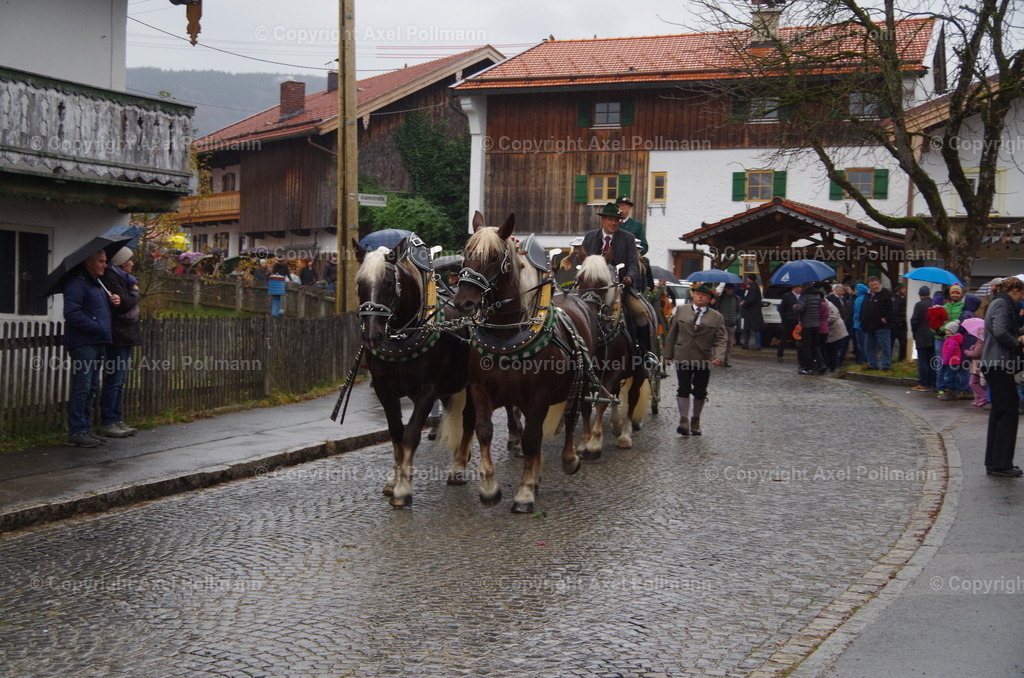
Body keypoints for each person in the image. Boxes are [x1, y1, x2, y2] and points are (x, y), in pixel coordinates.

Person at [582, 202, 657, 368]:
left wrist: (630, 276)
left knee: (639, 311)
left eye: (617, 220)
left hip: (621, 286)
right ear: (603, 220)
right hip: (593, 287)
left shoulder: (628, 238)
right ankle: (576, 351)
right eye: (610, 219)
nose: (614, 223)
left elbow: (633, 262)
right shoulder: (589, 237)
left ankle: (645, 353)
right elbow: (579, 261)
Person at [62, 250, 114, 447]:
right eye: (101, 261)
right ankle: (77, 431)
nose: (104, 265)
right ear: (88, 262)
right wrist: (97, 326)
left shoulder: (97, 284)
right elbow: (72, 313)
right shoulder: (77, 283)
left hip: (97, 342)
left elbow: (96, 310)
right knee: (82, 388)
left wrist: (113, 301)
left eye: (105, 261)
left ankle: (86, 429)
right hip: (84, 343)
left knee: (92, 387)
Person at [664, 283, 727, 436]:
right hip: (683, 356)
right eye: (698, 294)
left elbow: (721, 339)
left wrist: (718, 356)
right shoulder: (681, 310)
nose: (700, 297)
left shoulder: (716, 317)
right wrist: (667, 354)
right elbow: (672, 333)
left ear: (710, 299)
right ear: (693, 295)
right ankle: (683, 420)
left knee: (700, 390)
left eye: (704, 295)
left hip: (703, 358)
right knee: (683, 388)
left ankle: (695, 420)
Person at [978, 276, 1024, 477]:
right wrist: (1017, 343)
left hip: (996, 362)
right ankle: (1000, 463)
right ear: (1014, 290)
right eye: (1021, 294)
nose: (1021, 298)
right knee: (1008, 409)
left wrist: (1019, 335)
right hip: (998, 363)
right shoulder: (1001, 304)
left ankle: (996, 462)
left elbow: (1003, 330)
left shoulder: (998, 303)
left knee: (1000, 410)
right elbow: (1000, 331)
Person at [97, 247, 142, 438]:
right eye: (130, 260)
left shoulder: (123, 278)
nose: (132, 263)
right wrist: (135, 293)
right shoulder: (111, 278)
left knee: (120, 379)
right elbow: (124, 302)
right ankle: (108, 420)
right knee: (114, 379)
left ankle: (117, 417)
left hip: (125, 334)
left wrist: (132, 293)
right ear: (123, 263)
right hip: (118, 334)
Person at [860, 276, 894, 370]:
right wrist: (862, 320)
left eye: (875, 284)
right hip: (869, 326)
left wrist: (886, 318)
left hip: (882, 326)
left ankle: (885, 365)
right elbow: (864, 308)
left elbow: (893, 308)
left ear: (879, 283)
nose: (874, 287)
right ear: (869, 285)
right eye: (871, 285)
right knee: (869, 347)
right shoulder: (868, 295)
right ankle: (872, 364)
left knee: (884, 346)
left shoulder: (886, 293)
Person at [910, 286, 937, 391]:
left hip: (921, 336)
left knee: (922, 361)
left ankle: (924, 383)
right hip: (933, 335)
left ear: (920, 295)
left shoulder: (919, 305)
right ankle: (932, 382)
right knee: (932, 360)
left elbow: (914, 321)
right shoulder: (935, 304)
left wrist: (914, 333)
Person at [794, 283, 826, 374]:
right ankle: (821, 364)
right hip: (816, 323)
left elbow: (799, 309)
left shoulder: (804, 296)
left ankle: (808, 367)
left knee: (806, 346)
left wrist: (795, 307)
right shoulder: (817, 295)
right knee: (815, 346)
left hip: (807, 324)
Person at [713, 283, 740, 366]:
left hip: (732, 323)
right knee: (723, 342)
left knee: (730, 344)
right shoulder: (720, 298)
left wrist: (736, 319)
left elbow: (738, 311)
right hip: (723, 323)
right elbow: (716, 309)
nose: (730, 290)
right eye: (728, 289)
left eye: (731, 289)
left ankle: (726, 361)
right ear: (725, 289)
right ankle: (720, 360)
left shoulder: (736, 298)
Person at [937, 321, 964, 401]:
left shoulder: (951, 340)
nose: (946, 331)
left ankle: (950, 394)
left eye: (948, 330)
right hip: (954, 362)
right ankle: (954, 393)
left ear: (952, 331)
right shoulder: (952, 339)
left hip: (951, 362)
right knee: (952, 377)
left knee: (949, 377)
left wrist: (944, 361)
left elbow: (949, 352)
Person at [826, 283, 852, 365]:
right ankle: (835, 360)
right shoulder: (830, 298)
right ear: (836, 290)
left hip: (842, 321)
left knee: (841, 342)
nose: (843, 292)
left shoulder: (843, 298)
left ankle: (838, 359)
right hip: (835, 322)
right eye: (841, 291)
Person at [775, 282, 802, 362]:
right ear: (795, 288)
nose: (801, 289)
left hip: (798, 321)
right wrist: (785, 319)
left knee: (800, 339)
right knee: (784, 338)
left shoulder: (801, 297)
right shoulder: (787, 296)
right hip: (788, 321)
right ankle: (780, 355)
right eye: (799, 287)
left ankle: (800, 356)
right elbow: (782, 309)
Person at [823, 295, 848, 373]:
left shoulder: (829, 305)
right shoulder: (826, 304)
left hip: (836, 329)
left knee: (832, 349)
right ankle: (831, 365)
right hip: (831, 330)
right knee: (830, 348)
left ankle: (833, 366)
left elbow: (832, 318)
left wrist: (822, 323)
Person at [740, 273, 765, 350]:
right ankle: (751, 344)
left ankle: (752, 344)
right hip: (754, 312)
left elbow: (751, 300)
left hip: (751, 312)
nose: (747, 280)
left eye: (747, 278)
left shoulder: (752, 288)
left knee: (751, 329)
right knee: (753, 329)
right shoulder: (755, 286)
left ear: (750, 279)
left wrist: (744, 303)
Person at [891, 284, 908, 362]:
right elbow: (894, 311)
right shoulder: (893, 299)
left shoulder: (904, 298)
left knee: (903, 343)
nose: (905, 290)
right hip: (894, 325)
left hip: (902, 325)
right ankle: (889, 360)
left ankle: (901, 360)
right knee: (891, 343)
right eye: (903, 289)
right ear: (898, 290)